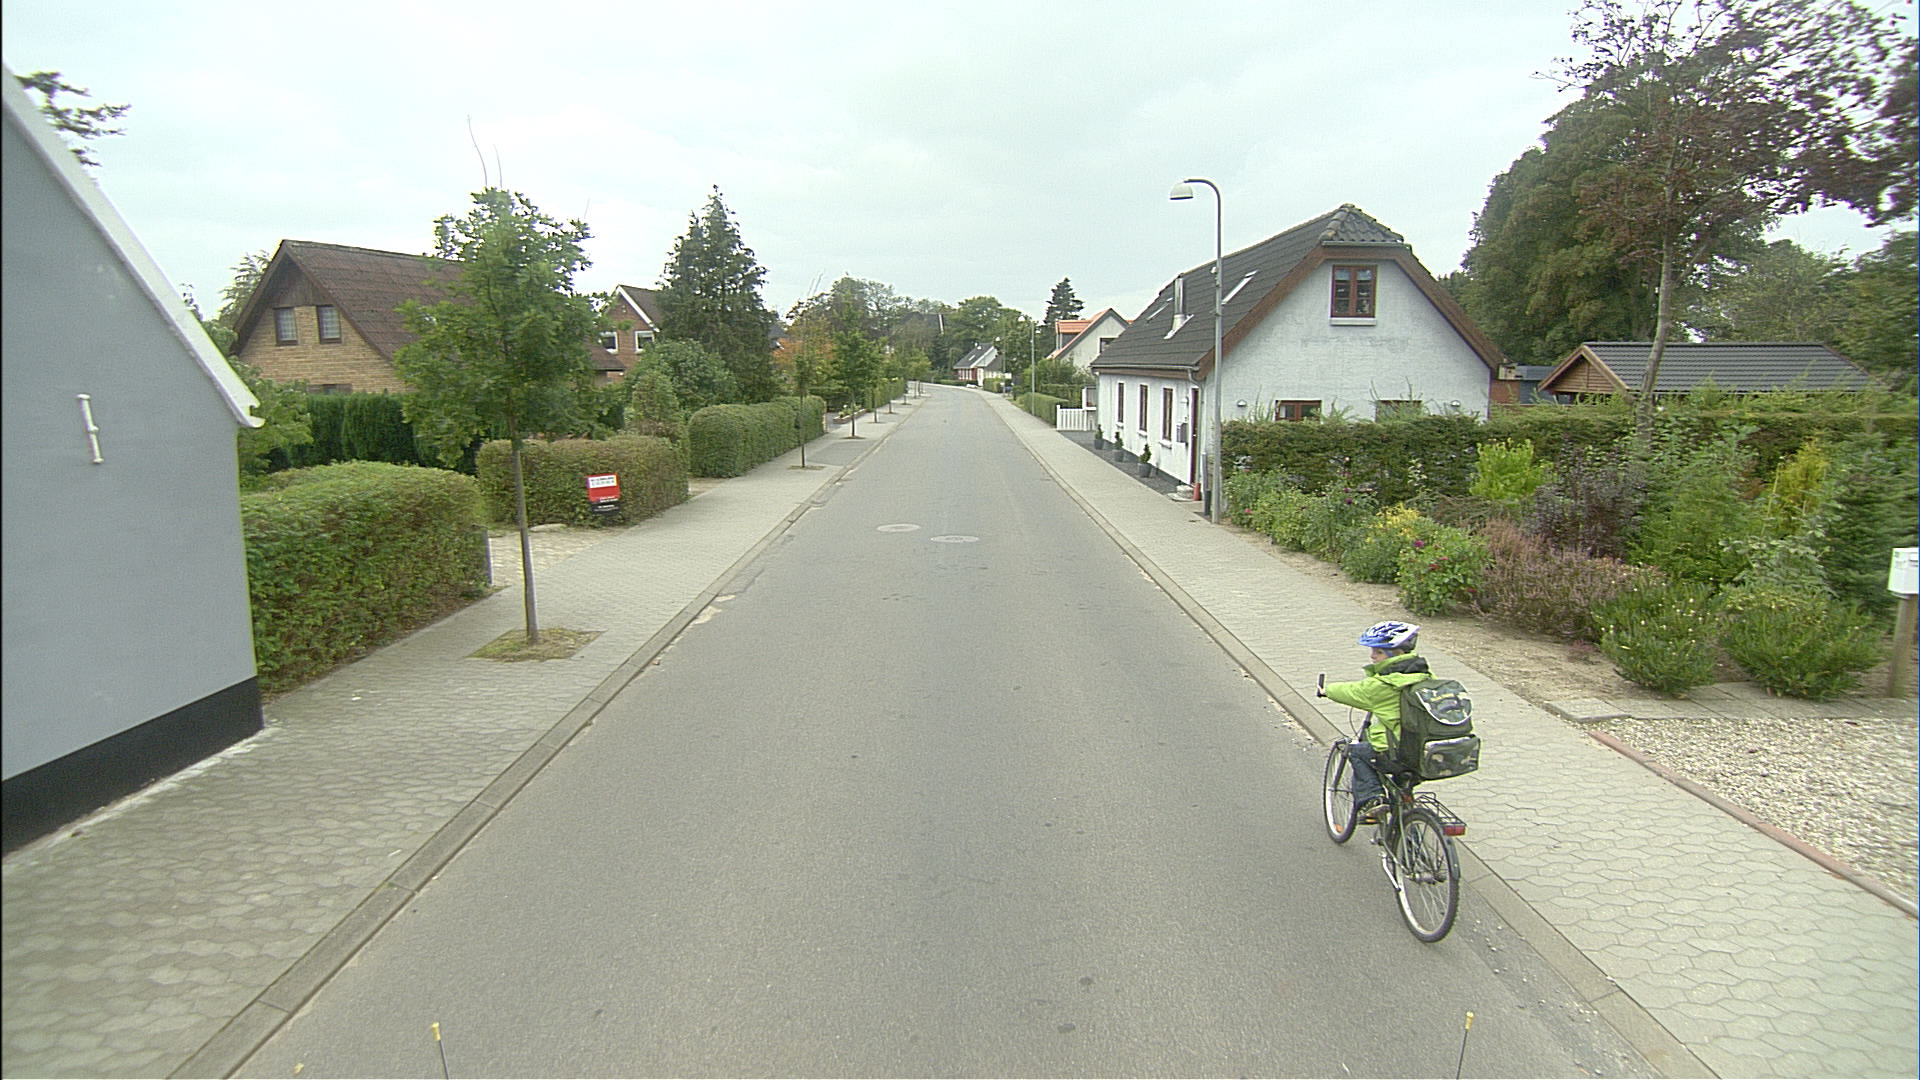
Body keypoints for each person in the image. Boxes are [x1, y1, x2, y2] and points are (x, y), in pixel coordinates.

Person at [1316, 620, 1429, 823]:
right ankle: (1408, 824)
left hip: (1398, 750)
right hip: (1423, 749)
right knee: (1402, 786)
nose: (1372, 656)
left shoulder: (1384, 685)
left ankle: (1372, 800)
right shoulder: (1424, 675)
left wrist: (1327, 691)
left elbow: (1354, 692)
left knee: (1357, 752)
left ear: (1397, 654)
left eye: (1379, 652)